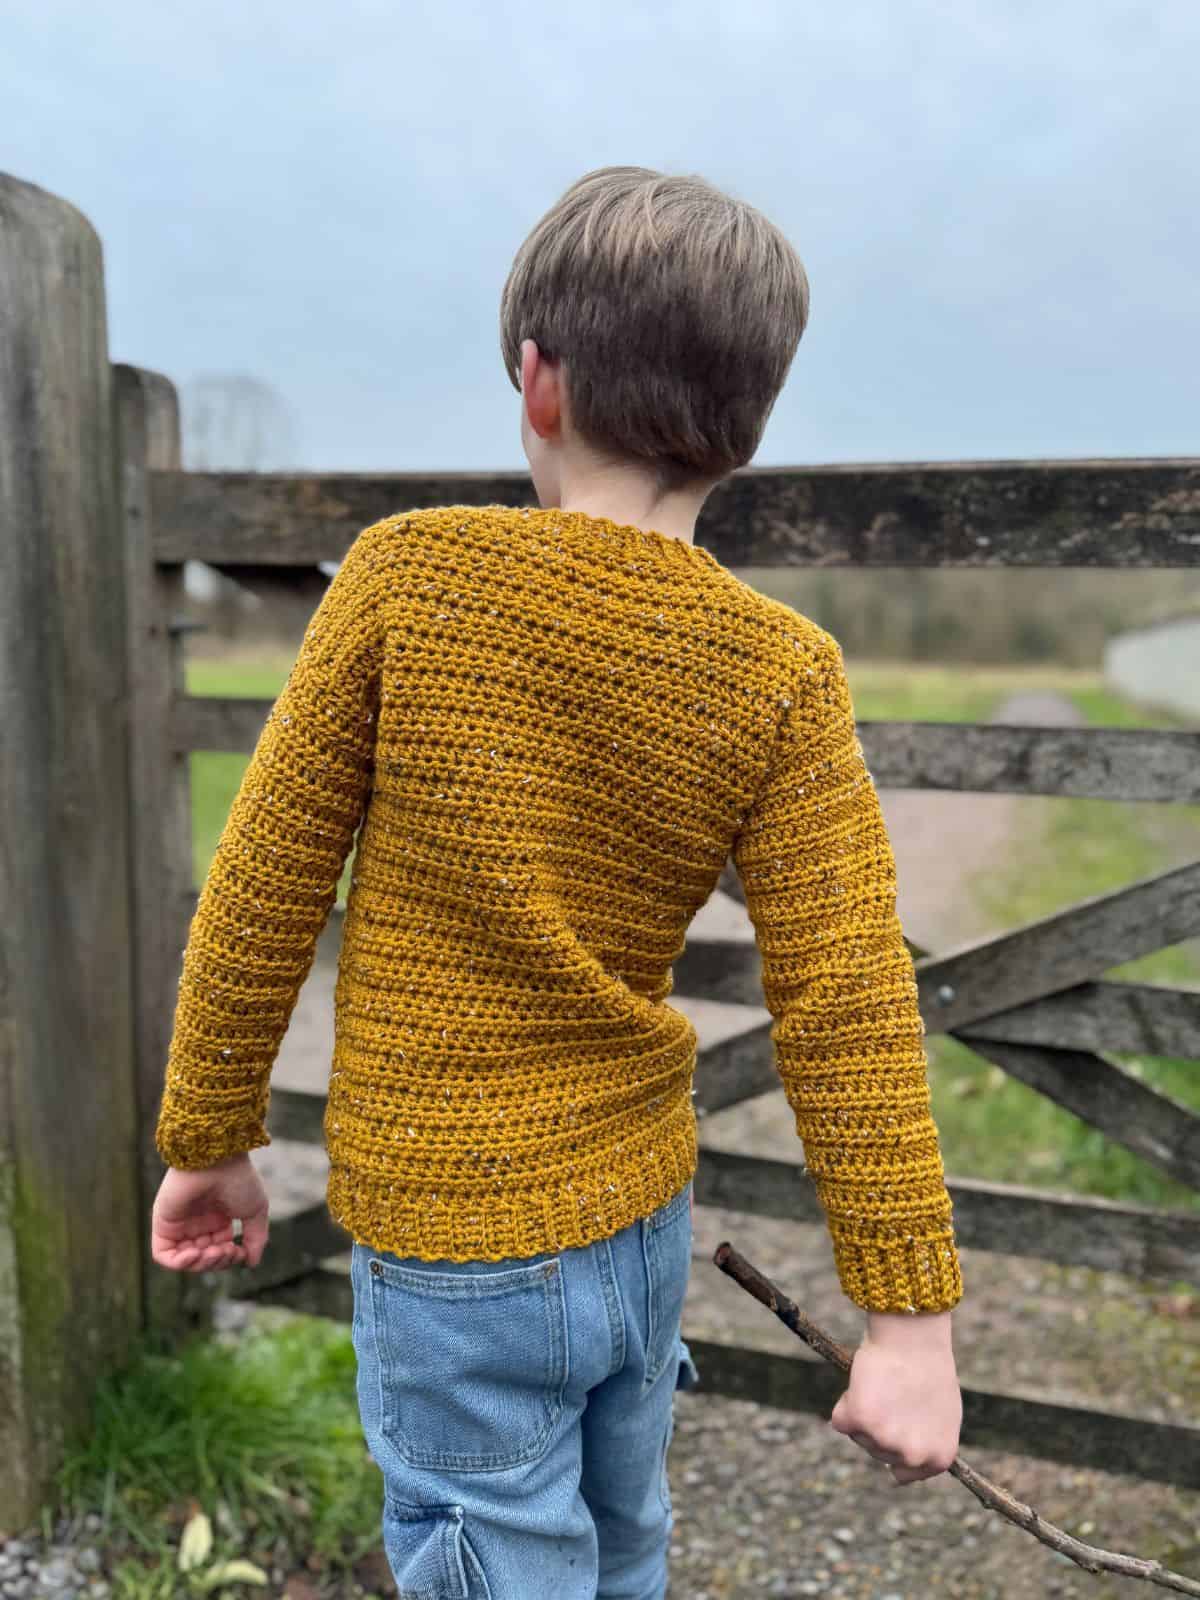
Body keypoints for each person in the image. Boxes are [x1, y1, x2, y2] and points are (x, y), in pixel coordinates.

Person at [150, 165, 963, 1599]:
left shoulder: (410, 580)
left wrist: (212, 1136)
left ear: (538, 379)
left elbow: (262, 889)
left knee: (500, 1563)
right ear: (747, 425)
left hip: (452, 1244)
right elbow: (850, 999)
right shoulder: (781, 671)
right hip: (636, 1223)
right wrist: (911, 1326)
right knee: (624, 1538)